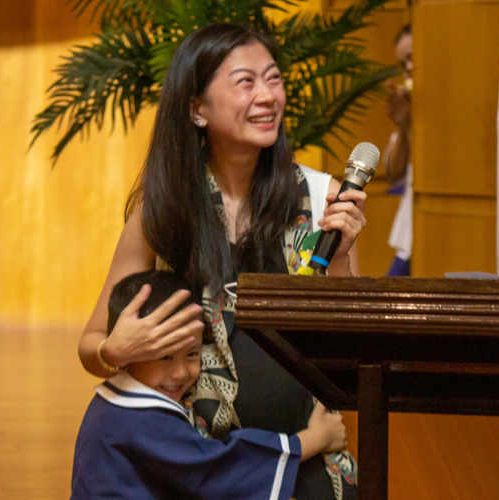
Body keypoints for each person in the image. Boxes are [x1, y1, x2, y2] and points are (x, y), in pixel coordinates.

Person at [78, 23, 366, 499]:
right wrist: (115, 350)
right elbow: (91, 345)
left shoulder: (323, 199)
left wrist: (344, 256)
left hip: (307, 455)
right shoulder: (164, 210)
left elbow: (351, 346)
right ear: (196, 109)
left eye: (273, 79)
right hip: (199, 465)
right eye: (245, 82)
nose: (267, 95)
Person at [70, 270, 348, 500]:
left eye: (192, 354)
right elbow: (220, 468)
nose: (179, 372)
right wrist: (313, 439)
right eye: (164, 357)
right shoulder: (142, 421)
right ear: (130, 350)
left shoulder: (110, 403)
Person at [383, 24, 413, 277]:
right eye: (403, 64)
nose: (409, 69)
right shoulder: (409, 104)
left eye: (413, 58)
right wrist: (403, 128)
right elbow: (392, 172)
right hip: (410, 233)